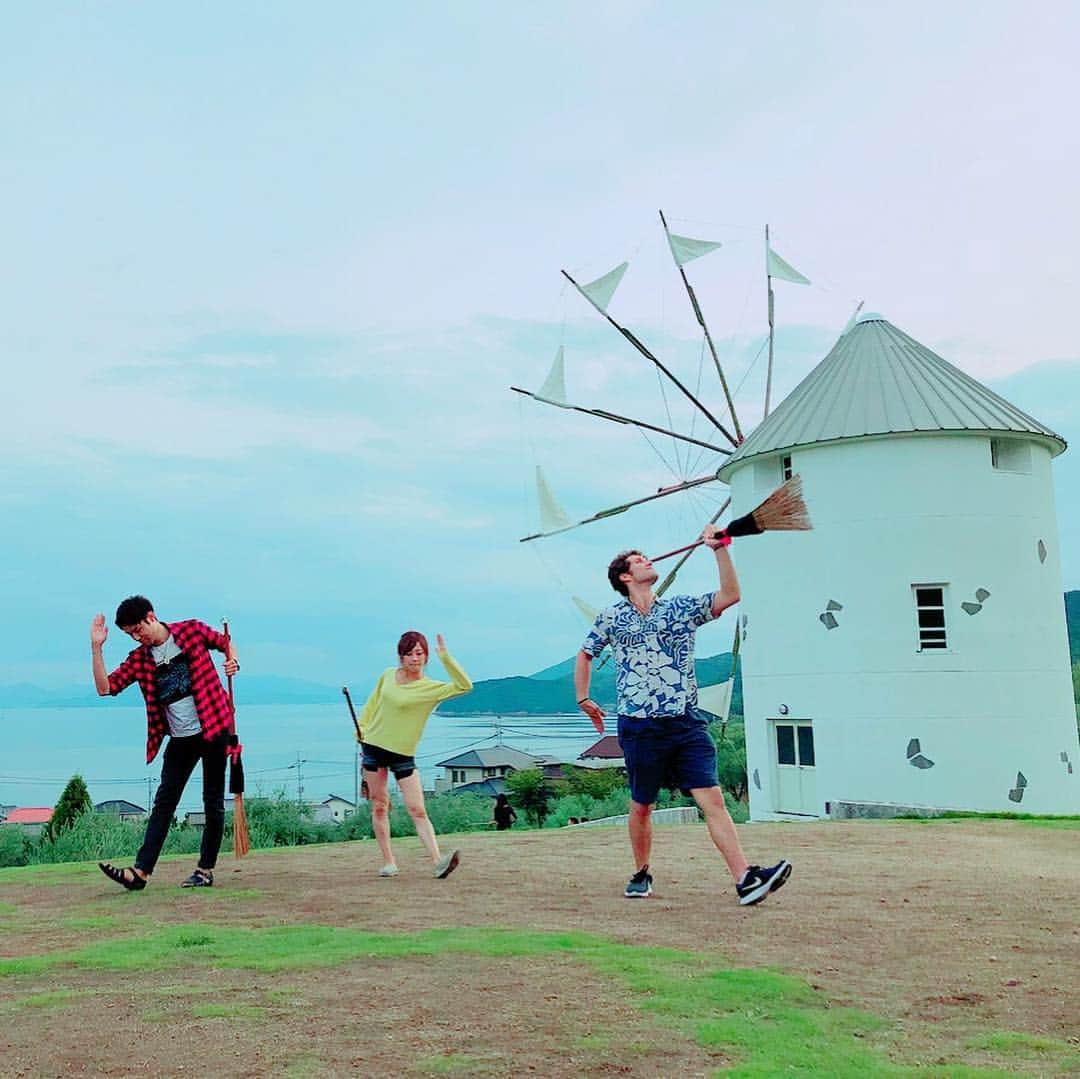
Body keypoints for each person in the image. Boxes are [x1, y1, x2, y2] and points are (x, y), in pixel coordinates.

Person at [574, 526, 791, 905]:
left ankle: (744, 880)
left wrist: (719, 549)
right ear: (625, 576)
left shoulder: (680, 608)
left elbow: (730, 595)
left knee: (713, 799)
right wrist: (583, 698)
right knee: (642, 804)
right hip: (639, 726)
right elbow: (585, 653)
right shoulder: (611, 618)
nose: (647, 560)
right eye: (638, 559)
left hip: (686, 722)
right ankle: (641, 873)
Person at [90, 596, 239, 890]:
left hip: (214, 728)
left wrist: (232, 660)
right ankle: (140, 873)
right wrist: (96, 648)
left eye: (137, 630)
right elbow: (105, 688)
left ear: (151, 617)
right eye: (130, 634)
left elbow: (225, 642)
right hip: (180, 739)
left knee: (213, 803)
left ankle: (205, 870)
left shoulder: (192, 631)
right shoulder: (140, 659)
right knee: (164, 803)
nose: (136, 637)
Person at [357, 631, 472, 878]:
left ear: (426, 656)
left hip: (403, 754)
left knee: (417, 809)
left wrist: (446, 657)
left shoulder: (431, 688)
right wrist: (362, 730)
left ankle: (438, 861)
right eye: (408, 654)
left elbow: (465, 686)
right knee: (379, 806)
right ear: (401, 657)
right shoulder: (388, 675)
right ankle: (389, 862)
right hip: (373, 748)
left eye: (419, 653)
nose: (414, 658)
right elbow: (371, 705)